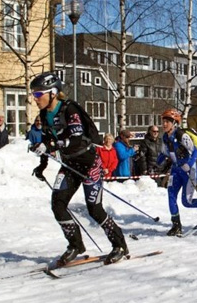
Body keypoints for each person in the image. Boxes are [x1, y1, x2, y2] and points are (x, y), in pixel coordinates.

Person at [29, 72, 128, 265]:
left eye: (39, 94)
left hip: (89, 164)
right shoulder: (44, 114)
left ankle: (120, 245)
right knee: (57, 205)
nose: (35, 99)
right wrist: (41, 163)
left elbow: (76, 138)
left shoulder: (70, 109)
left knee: (94, 209)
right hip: (69, 165)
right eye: (34, 94)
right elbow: (47, 141)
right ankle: (75, 245)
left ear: (53, 92)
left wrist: (51, 147)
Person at [157, 108, 197, 236]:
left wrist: (189, 164)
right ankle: (176, 225)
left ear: (174, 123)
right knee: (171, 195)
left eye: (167, 121)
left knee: (186, 202)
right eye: (163, 121)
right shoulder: (165, 137)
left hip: (189, 171)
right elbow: (164, 153)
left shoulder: (181, 135)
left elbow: (195, 151)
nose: (164, 124)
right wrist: (157, 162)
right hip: (176, 171)